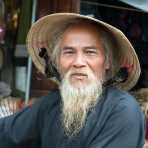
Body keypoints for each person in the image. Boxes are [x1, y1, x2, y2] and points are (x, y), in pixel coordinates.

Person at [0, 13, 145, 148]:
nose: (78, 62)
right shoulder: (53, 103)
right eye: (69, 52)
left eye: (90, 52)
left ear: (107, 62)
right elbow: (5, 132)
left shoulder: (123, 110)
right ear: (57, 62)